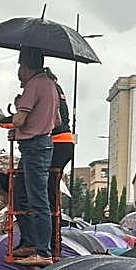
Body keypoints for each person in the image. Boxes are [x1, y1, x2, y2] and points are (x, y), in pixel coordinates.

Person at [8, 47, 57, 267]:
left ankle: (42, 250)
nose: (18, 71)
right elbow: (54, 120)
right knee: (22, 195)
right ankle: (29, 241)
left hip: (34, 147)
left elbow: (19, 119)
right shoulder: (50, 85)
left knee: (37, 200)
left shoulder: (34, 84)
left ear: (26, 66)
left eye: (20, 66)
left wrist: (10, 118)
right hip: (40, 144)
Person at [45, 68, 75, 249]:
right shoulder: (58, 88)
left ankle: (52, 239)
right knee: (52, 189)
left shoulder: (49, 89)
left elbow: (54, 121)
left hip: (57, 142)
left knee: (48, 191)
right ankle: (55, 237)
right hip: (65, 141)